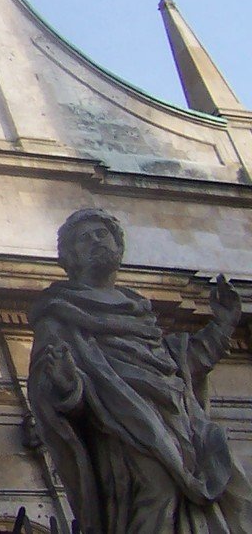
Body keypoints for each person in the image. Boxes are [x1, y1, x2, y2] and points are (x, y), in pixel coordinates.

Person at [29, 207, 252, 533]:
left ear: (118, 247)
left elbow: (177, 365)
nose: (95, 241)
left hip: (176, 420)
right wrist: (68, 385)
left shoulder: (139, 309)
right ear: (69, 258)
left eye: (101, 234)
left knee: (231, 488)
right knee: (157, 490)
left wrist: (223, 325)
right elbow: (48, 393)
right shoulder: (59, 313)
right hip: (122, 424)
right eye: (84, 238)